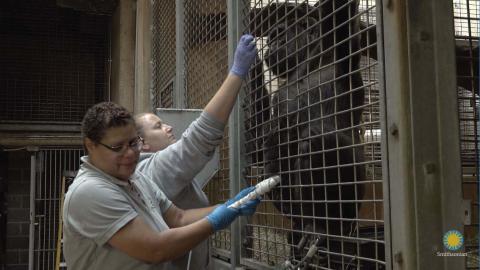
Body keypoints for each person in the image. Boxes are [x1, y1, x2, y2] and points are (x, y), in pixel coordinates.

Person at [62, 34, 258, 270]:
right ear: (90, 145)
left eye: (133, 143)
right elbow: (155, 249)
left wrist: (231, 207)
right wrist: (217, 220)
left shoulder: (135, 178)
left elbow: (178, 218)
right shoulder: (91, 191)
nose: (129, 153)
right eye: (117, 147)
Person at [135, 112, 213, 269]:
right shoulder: (150, 172)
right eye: (159, 126)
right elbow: (196, 143)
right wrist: (228, 209)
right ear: (141, 143)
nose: (169, 128)